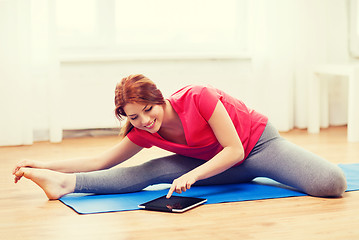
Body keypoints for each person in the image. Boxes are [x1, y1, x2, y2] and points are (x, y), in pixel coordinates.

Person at [13, 74, 347, 200]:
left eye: (148, 109)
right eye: (134, 117)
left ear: (159, 98)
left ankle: (279, 167)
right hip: (216, 164)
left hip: (257, 146)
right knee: (150, 171)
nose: (145, 121)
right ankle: (65, 186)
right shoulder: (142, 129)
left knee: (331, 183)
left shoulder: (198, 96)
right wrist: (44, 163)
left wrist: (193, 174)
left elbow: (234, 149)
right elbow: (101, 160)